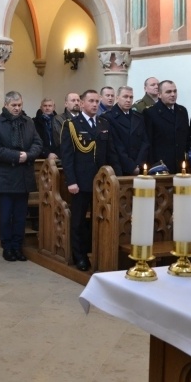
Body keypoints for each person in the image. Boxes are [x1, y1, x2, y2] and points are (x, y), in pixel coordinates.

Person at [61, 89, 121, 271]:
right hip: (80, 182)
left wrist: (117, 176)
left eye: (97, 101)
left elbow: (111, 152)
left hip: (101, 183)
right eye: (91, 101)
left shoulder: (104, 122)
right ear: (82, 103)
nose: (95, 104)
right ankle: (79, 256)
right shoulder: (72, 125)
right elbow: (67, 156)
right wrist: (71, 181)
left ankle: (97, 252)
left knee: (100, 218)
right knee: (78, 221)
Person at [0, 91, 42, 262]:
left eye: (19, 105)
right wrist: (18, 156)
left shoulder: (28, 122)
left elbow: (38, 143)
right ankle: (7, 247)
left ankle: (18, 247)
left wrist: (28, 155)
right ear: (6, 105)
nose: (17, 108)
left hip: (24, 176)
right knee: (6, 216)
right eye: (14, 106)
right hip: (4, 176)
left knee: (20, 216)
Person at [144, 80, 191, 173]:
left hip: (181, 165)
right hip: (162, 166)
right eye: (168, 92)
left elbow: (187, 138)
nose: (173, 94)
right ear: (159, 94)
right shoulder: (150, 112)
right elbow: (148, 142)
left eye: (175, 91)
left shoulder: (182, 111)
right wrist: (153, 165)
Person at [103, 86, 148, 175]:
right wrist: (131, 166)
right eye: (125, 97)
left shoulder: (138, 117)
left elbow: (145, 142)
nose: (128, 100)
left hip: (138, 166)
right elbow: (116, 146)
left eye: (131, 97)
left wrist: (138, 164)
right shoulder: (108, 117)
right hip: (119, 167)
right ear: (117, 98)